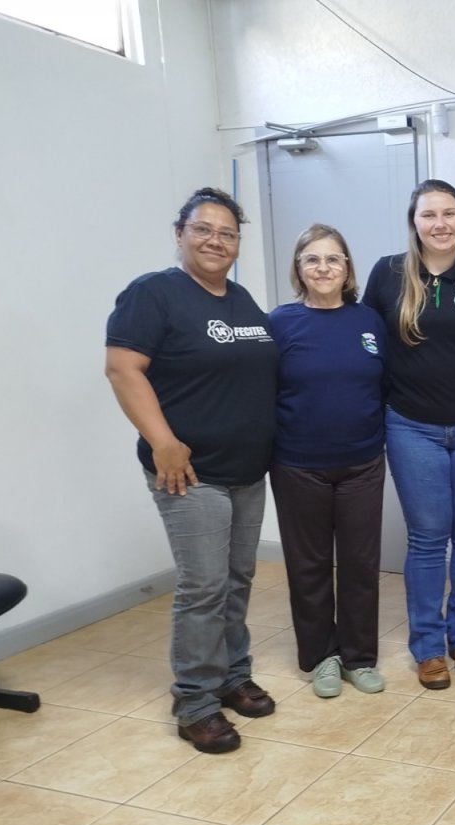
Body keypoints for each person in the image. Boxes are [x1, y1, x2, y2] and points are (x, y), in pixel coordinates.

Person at [105, 187, 278, 754]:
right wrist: (163, 443)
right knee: (204, 587)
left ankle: (232, 675)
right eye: (203, 229)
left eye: (227, 233)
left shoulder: (242, 300)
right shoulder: (153, 294)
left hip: (247, 468)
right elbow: (123, 369)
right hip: (191, 472)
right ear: (179, 234)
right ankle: (196, 701)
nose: (215, 241)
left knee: (237, 579)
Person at [363, 180, 455, 691]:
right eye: (429, 215)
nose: (440, 224)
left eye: (449, 213)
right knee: (427, 539)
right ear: (414, 222)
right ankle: (428, 646)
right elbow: (366, 345)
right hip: (411, 427)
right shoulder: (387, 274)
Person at [268, 224, 387, 699]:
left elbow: (385, 384)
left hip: (362, 463)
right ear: (298, 268)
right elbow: (262, 391)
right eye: (312, 259)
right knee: (309, 566)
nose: (323, 268)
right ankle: (321, 658)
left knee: (360, 564)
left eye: (333, 259)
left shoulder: (370, 321)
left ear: (347, 267)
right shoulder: (279, 323)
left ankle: (359, 658)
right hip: (298, 466)